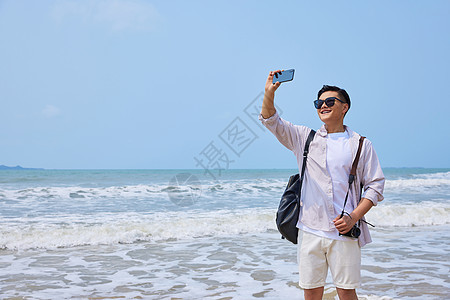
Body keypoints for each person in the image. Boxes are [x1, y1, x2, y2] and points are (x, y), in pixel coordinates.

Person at [259, 70, 385, 300]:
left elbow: (375, 186)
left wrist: (353, 217)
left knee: (347, 293)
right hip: (309, 229)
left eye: (329, 101)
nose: (323, 106)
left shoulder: (361, 144)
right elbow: (271, 120)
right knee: (312, 293)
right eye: (319, 102)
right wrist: (269, 93)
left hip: (344, 232)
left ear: (344, 107)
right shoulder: (304, 138)